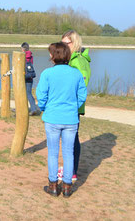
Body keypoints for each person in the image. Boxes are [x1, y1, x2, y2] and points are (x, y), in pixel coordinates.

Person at [36, 42, 87, 198]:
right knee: (68, 153)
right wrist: (73, 108)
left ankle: (53, 185)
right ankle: (66, 187)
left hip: (52, 118)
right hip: (71, 119)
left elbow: (41, 95)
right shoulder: (76, 74)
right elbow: (82, 96)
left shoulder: (47, 74)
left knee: (52, 152)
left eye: (50, 53)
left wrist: (44, 107)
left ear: (53, 56)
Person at [61, 30, 91, 183]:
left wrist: (71, 102)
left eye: (67, 43)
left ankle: (72, 171)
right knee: (71, 138)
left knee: (72, 139)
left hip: (72, 106)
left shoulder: (78, 61)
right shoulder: (71, 58)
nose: (64, 46)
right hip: (68, 105)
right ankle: (70, 169)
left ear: (75, 43)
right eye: (62, 43)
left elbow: (81, 85)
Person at [21, 42, 40, 116]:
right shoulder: (30, 56)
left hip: (23, 76)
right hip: (30, 76)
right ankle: (33, 109)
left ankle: (21, 108)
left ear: (23, 49)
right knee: (29, 93)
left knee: (21, 92)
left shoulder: (22, 56)